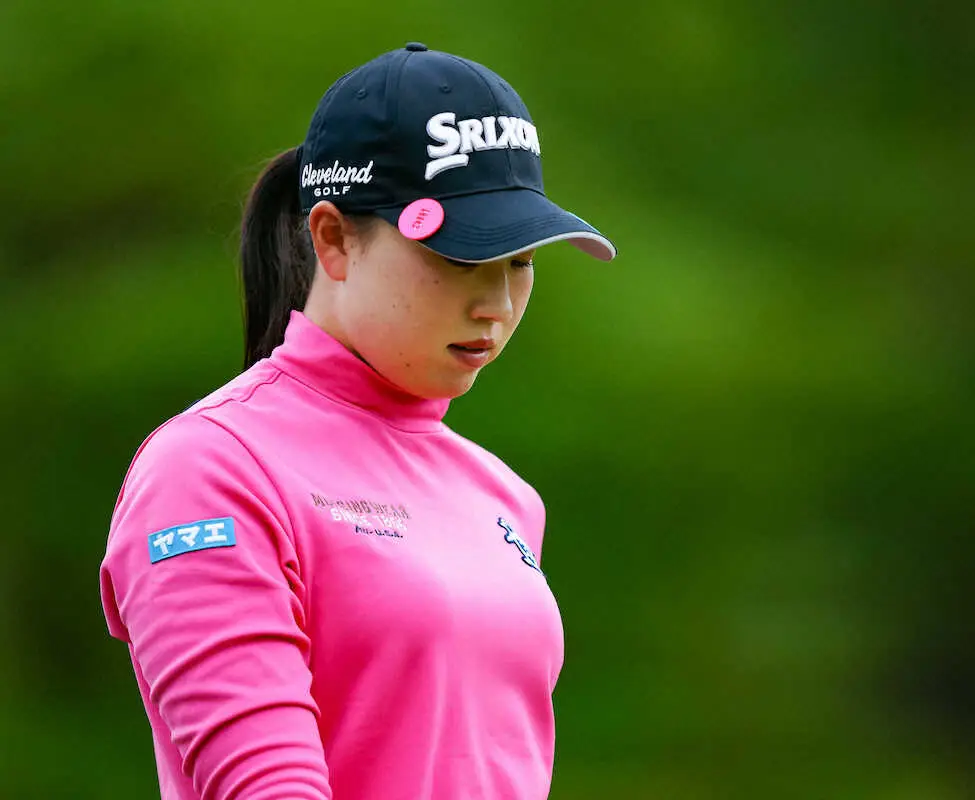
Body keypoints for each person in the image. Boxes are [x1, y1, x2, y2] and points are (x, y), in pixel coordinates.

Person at [98, 42, 616, 800]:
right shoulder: (211, 469)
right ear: (334, 239)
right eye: (459, 258)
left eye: (519, 262)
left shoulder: (504, 496)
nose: (497, 305)